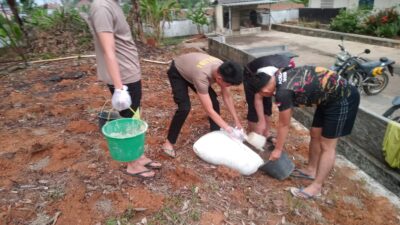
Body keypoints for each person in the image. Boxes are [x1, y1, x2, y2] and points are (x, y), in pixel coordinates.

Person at [247, 63, 360, 199]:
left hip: (343, 98)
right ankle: (311, 170)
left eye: (263, 93)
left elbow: (284, 124)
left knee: (327, 145)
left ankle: (317, 186)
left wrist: (277, 150)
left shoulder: (283, 92)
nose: (265, 95)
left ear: (264, 91)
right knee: (315, 133)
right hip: (326, 97)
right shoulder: (278, 75)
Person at [89, 0, 161, 178]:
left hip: (130, 74)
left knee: (135, 115)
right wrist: (119, 88)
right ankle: (133, 164)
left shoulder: (113, 4)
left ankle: (138, 156)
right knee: (129, 119)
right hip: (123, 78)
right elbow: (108, 51)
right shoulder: (102, 7)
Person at [161, 52, 244, 158]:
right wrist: (229, 129)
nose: (228, 87)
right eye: (228, 85)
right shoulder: (202, 77)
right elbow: (208, 110)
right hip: (178, 70)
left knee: (214, 101)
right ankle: (168, 143)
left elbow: (227, 97)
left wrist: (237, 121)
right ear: (219, 78)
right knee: (184, 107)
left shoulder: (224, 69)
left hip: (192, 68)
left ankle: (216, 135)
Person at [243, 54, 293, 143]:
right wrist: (261, 121)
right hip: (250, 74)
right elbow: (258, 98)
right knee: (253, 108)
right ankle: (253, 137)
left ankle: (266, 134)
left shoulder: (289, 71)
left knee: (267, 105)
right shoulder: (265, 75)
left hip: (271, 73)